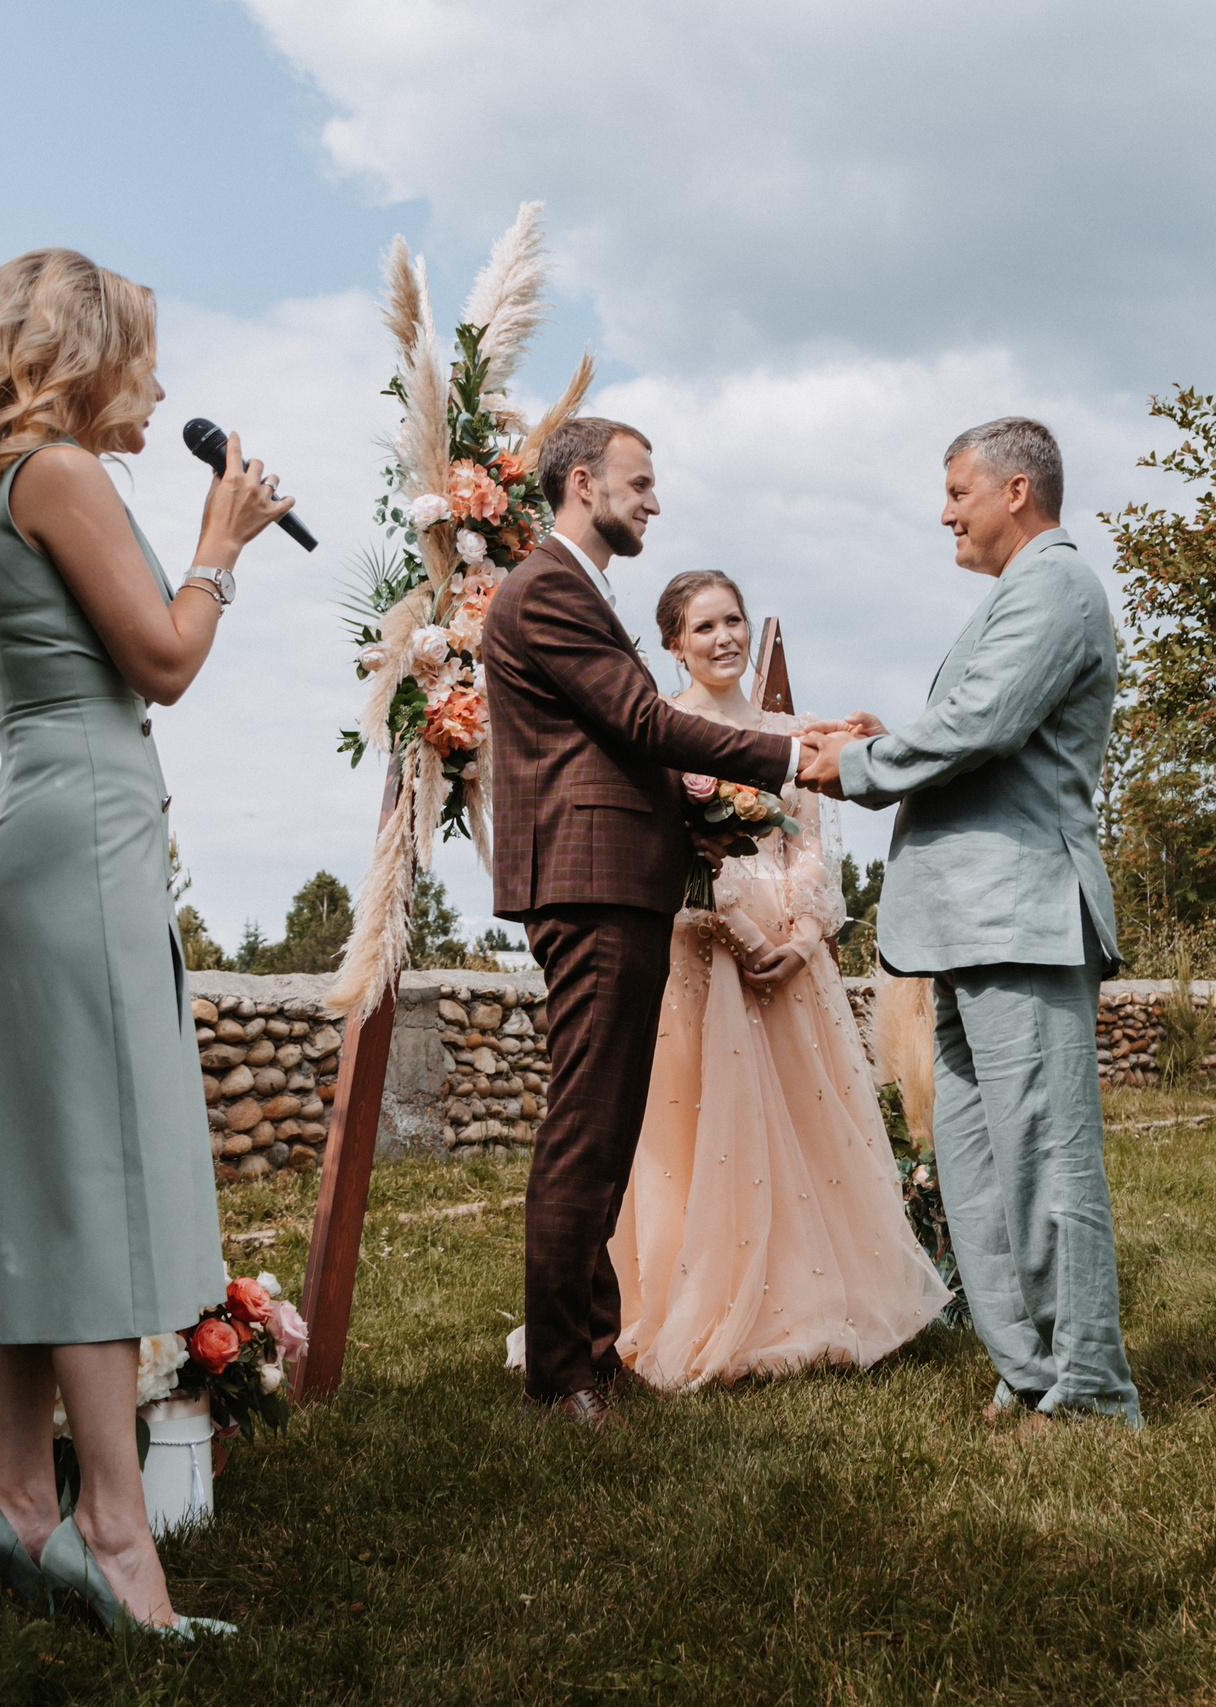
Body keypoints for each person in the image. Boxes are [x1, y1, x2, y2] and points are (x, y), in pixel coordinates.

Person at [0, 248, 290, 1634]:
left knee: (34, 1172)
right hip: (76, 850)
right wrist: (220, 544)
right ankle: (114, 1530)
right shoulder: (63, 472)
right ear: (82, 356)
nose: (163, 386)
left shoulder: (12, 479)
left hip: (45, 834)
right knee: (91, 1179)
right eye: (144, 353)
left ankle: (18, 1493)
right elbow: (166, 660)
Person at [801, 417, 1141, 1430]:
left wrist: (853, 767)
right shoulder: (1015, 596)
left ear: (1017, 492)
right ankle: (1029, 1371)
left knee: (1044, 1164)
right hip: (968, 927)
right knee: (977, 1171)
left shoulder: (1056, 586)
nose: (942, 511)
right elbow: (978, 732)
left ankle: (1088, 1391)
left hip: (1023, 918)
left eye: (956, 491)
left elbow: (985, 725)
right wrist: (893, 737)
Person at [482, 418, 814, 1425]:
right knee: (586, 1131)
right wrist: (789, 759)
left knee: (608, 1126)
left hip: (615, 878)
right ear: (582, 483)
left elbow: (628, 739)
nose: (653, 502)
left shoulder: (569, 588)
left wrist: (702, 814)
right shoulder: (546, 587)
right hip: (589, 882)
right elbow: (639, 722)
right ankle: (561, 1378)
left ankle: (592, 1351)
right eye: (640, 483)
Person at [604, 571, 951, 1389]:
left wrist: (801, 939)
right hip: (706, 948)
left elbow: (811, 848)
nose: (724, 637)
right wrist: (737, 926)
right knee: (698, 1134)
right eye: (704, 626)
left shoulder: (790, 733)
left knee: (808, 1135)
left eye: (734, 621)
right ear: (674, 641)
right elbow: (677, 852)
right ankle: (703, 1300)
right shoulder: (664, 728)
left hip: (793, 961)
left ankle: (815, 1298)